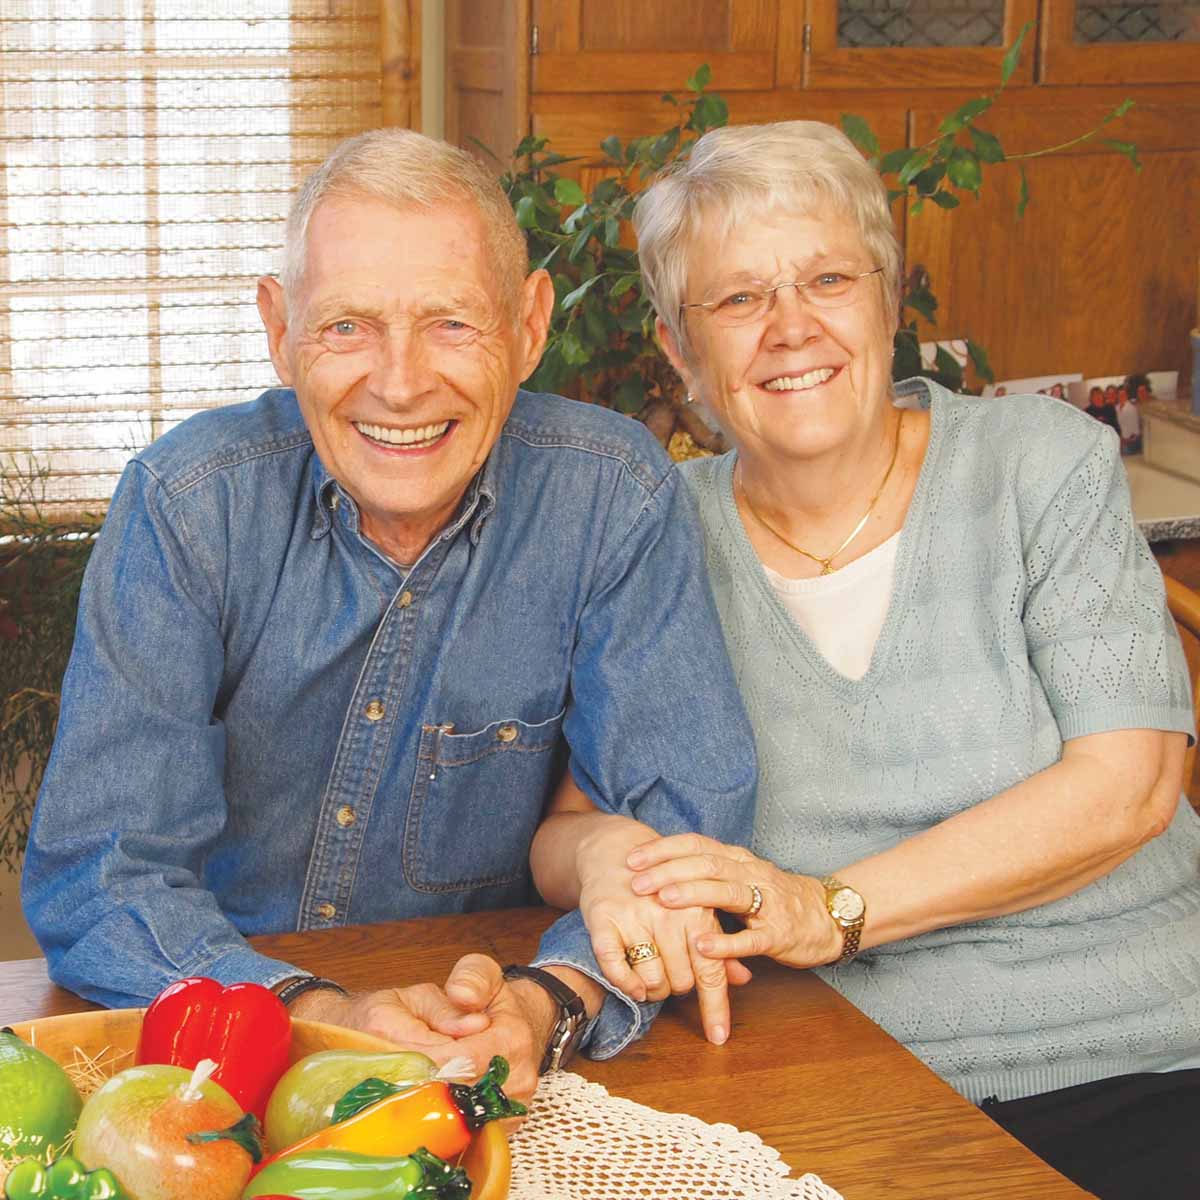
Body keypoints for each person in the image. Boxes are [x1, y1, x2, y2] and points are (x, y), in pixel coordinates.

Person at [21, 129, 758, 1098]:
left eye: (452, 324)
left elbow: (678, 833)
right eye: (346, 328)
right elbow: (101, 872)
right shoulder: (186, 505)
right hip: (224, 1065)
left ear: (530, 326)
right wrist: (323, 1018)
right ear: (279, 331)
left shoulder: (613, 496)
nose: (400, 382)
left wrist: (547, 1002)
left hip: (493, 1043)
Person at [580, 119, 1200, 1198]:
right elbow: (575, 819)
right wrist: (613, 865)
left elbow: (1131, 787)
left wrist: (831, 907)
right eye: (737, 300)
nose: (789, 328)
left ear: (888, 300)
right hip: (820, 1076)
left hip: (1142, 1049)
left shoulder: (1040, 466)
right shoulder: (652, 532)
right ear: (681, 348)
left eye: (828, 278)